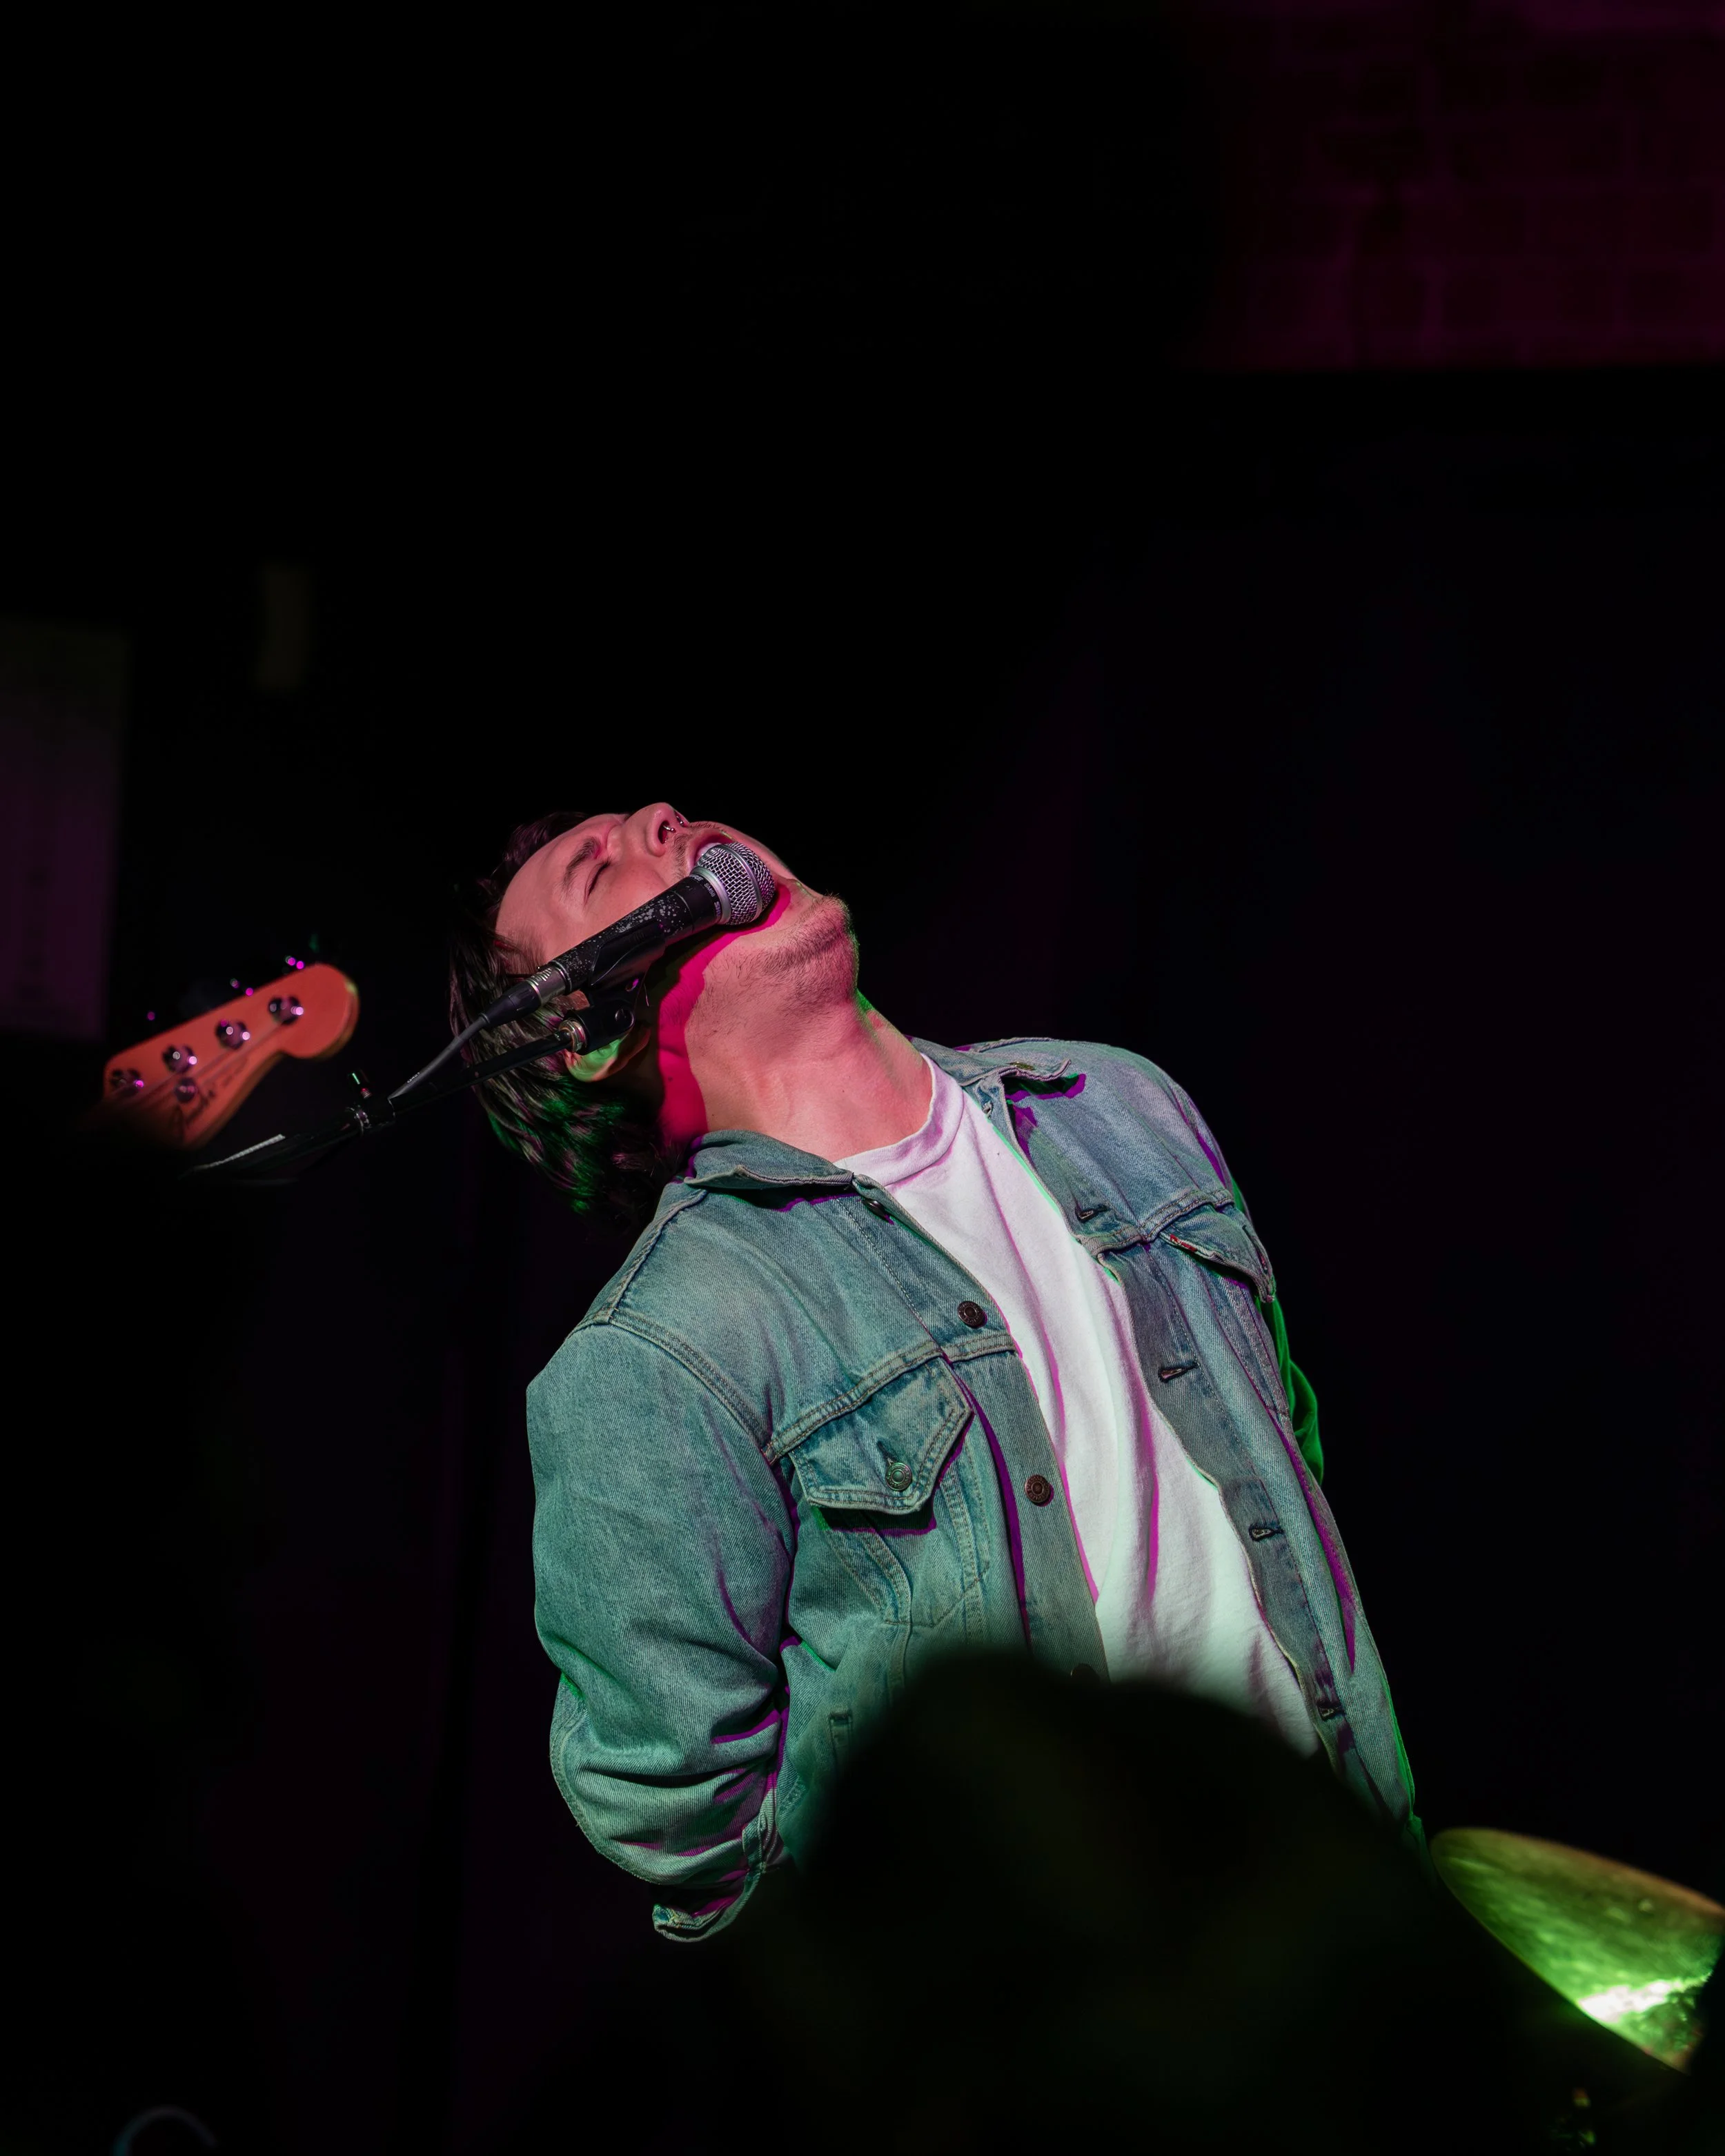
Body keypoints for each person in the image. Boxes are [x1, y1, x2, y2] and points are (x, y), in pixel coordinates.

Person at [448, 802, 1419, 1941]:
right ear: (589, 1024)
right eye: (596, 867)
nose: (661, 817)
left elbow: (1277, 1448)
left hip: (1354, 1931)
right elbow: (678, 1814)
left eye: (646, 813)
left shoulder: (1115, 1102)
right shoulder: (659, 1350)